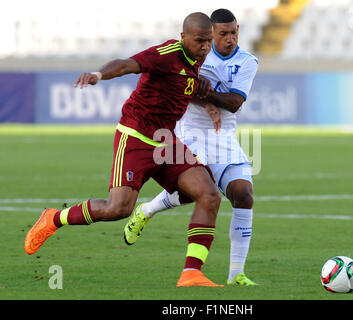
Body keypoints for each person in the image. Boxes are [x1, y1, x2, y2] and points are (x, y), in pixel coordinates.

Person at [24, 12, 225, 288]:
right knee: (117, 209)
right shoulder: (166, 53)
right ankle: (53, 218)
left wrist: (208, 103)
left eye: (208, 41)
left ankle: (192, 273)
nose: (205, 46)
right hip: (137, 138)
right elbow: (128, 64)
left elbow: (178, 90)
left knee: (208, 193)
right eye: (200, 40)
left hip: (167, 142)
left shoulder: (197, 60)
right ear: (183, 37)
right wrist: (98, 74)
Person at [123, 9, 259, 286]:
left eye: (234, 32)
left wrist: (205, 92)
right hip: (189, 133)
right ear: (210, 33)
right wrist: (202, 95)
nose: (230, 39)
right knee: (196, 193)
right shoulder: (196, 52)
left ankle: (237, 275)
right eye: (223, 34)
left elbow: (234, 102)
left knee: (243, 194)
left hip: (225, 137)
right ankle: (146, 211)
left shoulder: (247, 61)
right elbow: (180, 86)